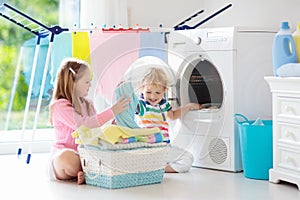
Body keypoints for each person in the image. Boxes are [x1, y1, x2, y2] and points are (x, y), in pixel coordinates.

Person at [48, 58, 130, 184]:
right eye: (87, 82)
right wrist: (112, 111)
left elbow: (97, 129)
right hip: (67, 155)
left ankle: (85, 172)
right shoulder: (60, 106)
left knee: (114, 151)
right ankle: (87, 171)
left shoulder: (88, 104)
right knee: (66, 158)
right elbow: (84, 125)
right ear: (73, 83)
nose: (90, 85)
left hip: (88, 154)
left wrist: (114, 120)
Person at [135, 67, 203, 173]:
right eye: (148, 92)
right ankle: (156, 168)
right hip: (149, 147)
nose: (153, 96)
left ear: (164, 91)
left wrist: (189, 106)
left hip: (163, 147)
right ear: (141, 89)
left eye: (157, 92)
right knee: (186, 160)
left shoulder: (164, 104)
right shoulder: (141, 104)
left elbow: (173, 116)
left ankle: (155, 167)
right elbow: (130, 109)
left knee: (188, 158)